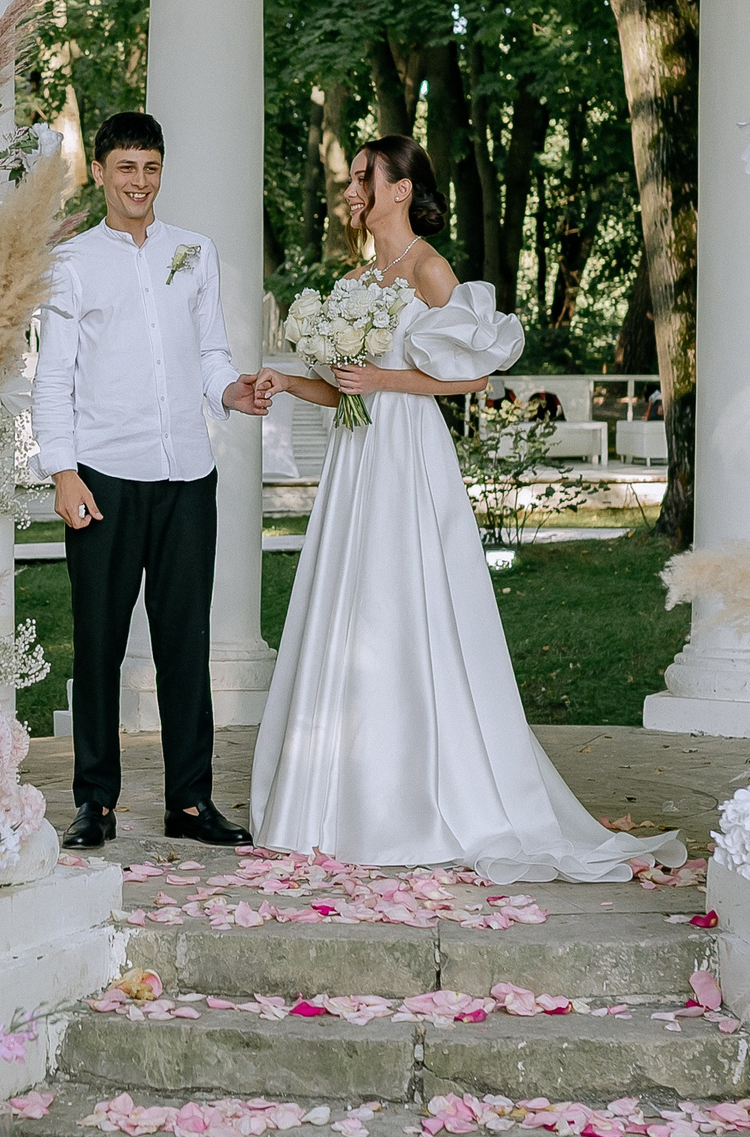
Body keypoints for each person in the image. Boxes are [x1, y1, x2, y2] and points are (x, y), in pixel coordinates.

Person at [249, 138, 684, 879]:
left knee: (407, 602)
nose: (352, 187)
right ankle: (337, 795)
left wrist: (386, 377)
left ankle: (420, 794)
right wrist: (290, 382)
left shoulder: (428, 268)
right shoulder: (354, 278)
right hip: (357, 465)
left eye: (363, 176)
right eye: (353, 176)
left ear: (400, 188)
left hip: (408, 457)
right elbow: (345, 384)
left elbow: (474, 379)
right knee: (351, 608)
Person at [33, 111, 272, 851]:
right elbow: (53, 378)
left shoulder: (194, 252)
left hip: (187, 477)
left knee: (183, 641)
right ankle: (94, 803)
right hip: (104, 475)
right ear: (99, 172)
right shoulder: (70, 263)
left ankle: (190, 802)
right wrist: (63, 470)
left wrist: (232, 391)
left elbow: (209, 352)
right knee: (100, 642)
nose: (140, 181)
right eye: (126, 167)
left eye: (151, 167)